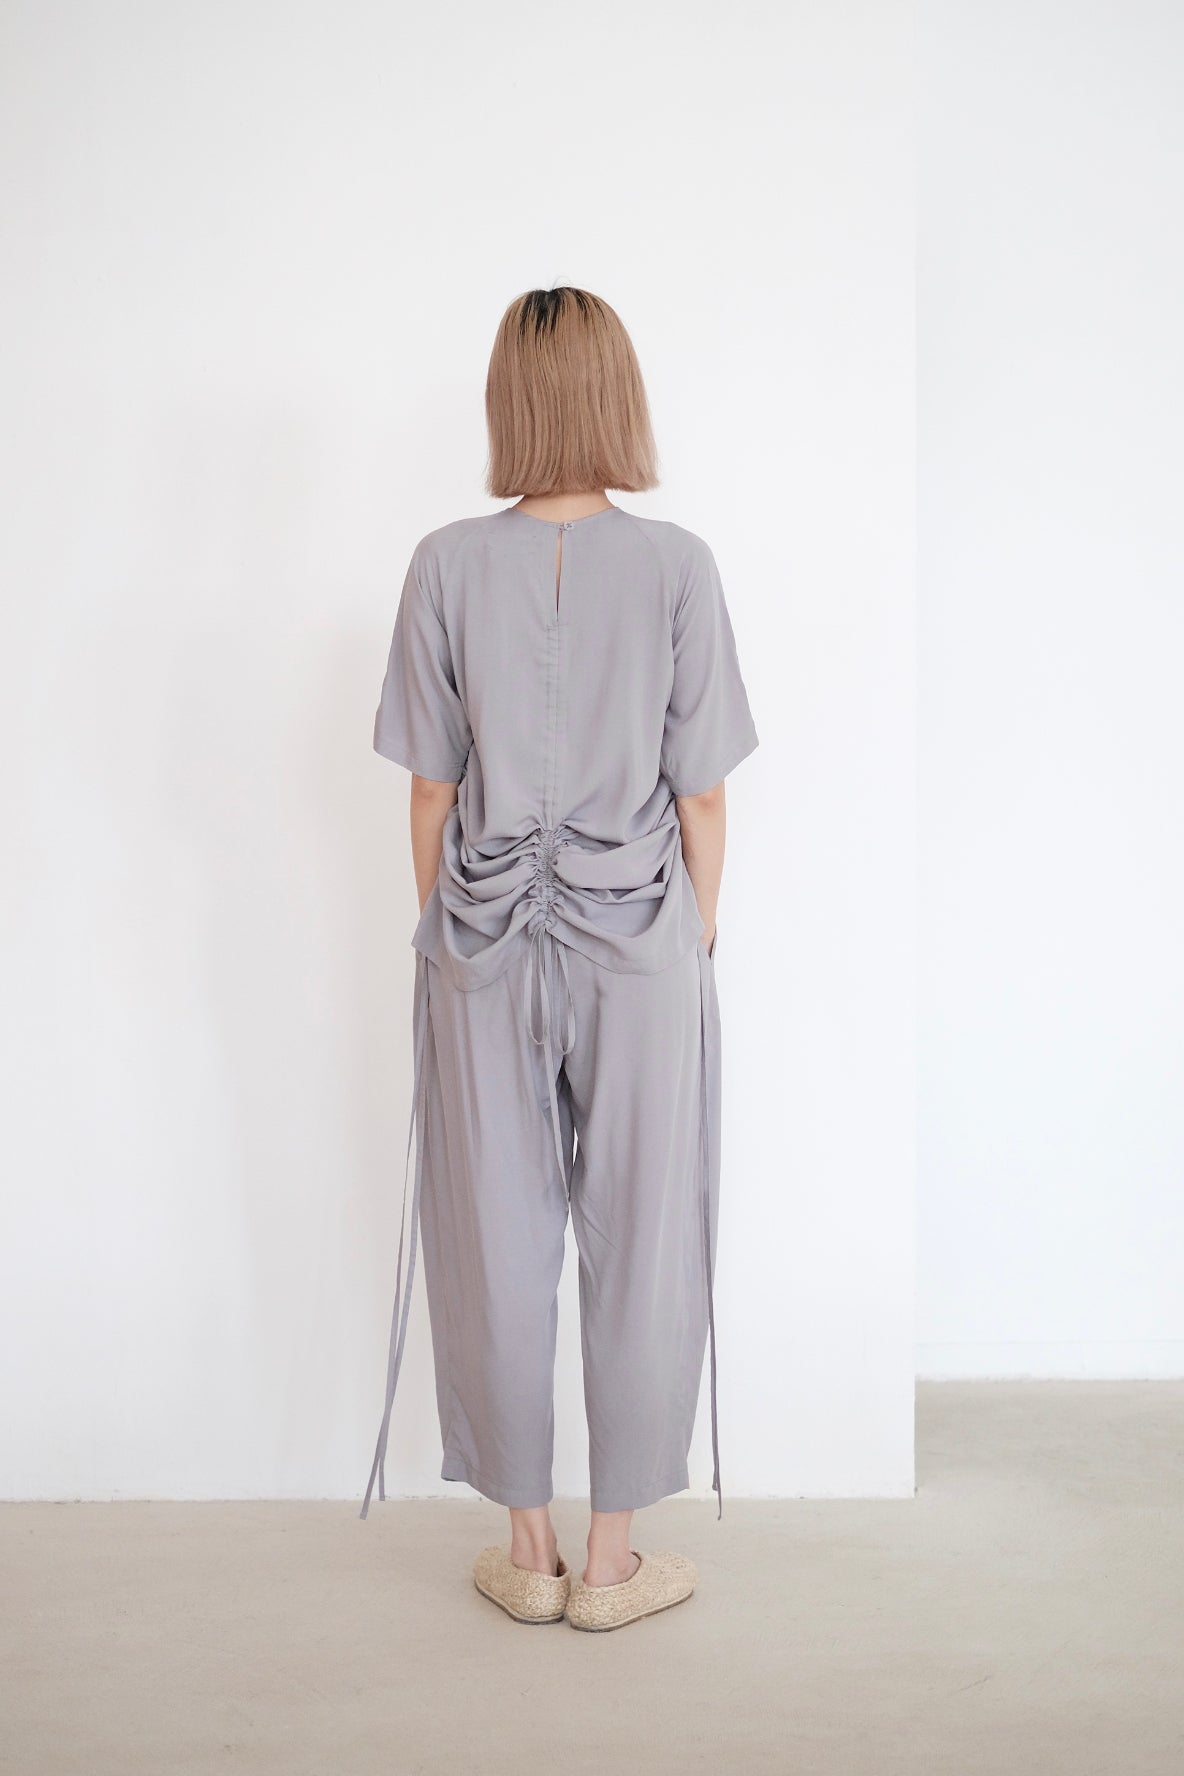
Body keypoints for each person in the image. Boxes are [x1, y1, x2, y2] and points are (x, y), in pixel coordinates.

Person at [359, 285, 759, 1632]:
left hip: (482, 934)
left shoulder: (442, 565)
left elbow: (431, 786)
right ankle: (611, 1564)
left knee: (493, 1229)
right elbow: (703, 790)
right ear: (617, 396)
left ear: (507, 402)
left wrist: (446, 924)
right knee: (645, 1230)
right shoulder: (679, 566)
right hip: (638, 936)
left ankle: (527, 1550)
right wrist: (698, 924)